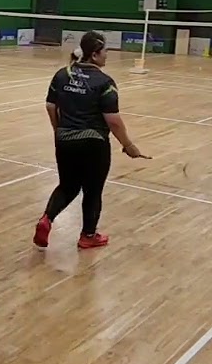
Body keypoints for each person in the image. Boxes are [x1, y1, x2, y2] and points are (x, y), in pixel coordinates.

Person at [34, 31, 144, 250]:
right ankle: (88, 236)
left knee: (67, 186)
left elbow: (50, 106)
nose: (107, 55)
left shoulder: (62, 75)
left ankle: (46, 219)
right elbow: (113, 121)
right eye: (104, 52)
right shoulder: (105, 82)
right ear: (94, 54)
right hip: (93, 143)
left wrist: (59, 130)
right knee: (92, 191)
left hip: (65, 140)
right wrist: (128, 145)